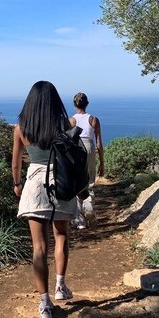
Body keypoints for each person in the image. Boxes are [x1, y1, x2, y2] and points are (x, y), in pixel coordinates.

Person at [12, 80, 79, 318]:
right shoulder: (66, 124)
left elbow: (16, 163)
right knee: (61, 235)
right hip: (60, 184)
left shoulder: (21, 129)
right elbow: (73, 158)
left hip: (35, 185)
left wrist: (17, 184)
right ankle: (60, 286)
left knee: (39, 247)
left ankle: (44, 304)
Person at [69, 92, 105, 228]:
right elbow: (99, 144)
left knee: (77, 183)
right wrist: (102, 163)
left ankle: (79, 221)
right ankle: (89, 209)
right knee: (89, 182)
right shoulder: (94, 120)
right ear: (87, 104)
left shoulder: (71, 121)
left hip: (76, 149)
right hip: (90, 148)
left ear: (74, 104)